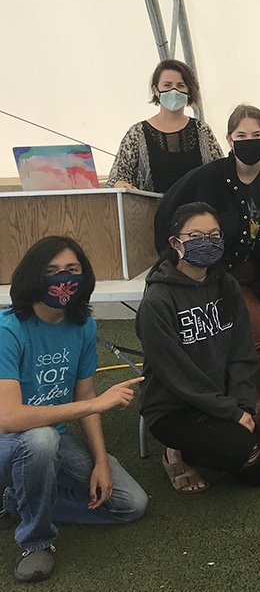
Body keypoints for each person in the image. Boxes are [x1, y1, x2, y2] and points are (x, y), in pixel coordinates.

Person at [0, 236, 147, 583]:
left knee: (130, 504)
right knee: (41, 440)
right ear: (33, 276)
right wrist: (93, 404)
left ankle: (17, 500)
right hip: (12, 441)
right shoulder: (9, 329)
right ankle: (36, 541)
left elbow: (85, 394)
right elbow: (10, 419)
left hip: (55, 438)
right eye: (51, 271)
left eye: (71, 270)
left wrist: (100, 461)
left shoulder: (83, 326)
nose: (62, 279)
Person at [155, 104, 260, 440]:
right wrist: (177, 257)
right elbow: (166, 212)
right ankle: (254, 424)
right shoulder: (207, 178)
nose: (250, 141)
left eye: (257, 136)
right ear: (229, 139)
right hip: (221, 276)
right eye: (242, 136)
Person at [138, 202, 260, 494]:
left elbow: (242, 353)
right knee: (243, 454)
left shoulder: (227, 285)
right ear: (175, 243)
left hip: (220, 401)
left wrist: (242, 405)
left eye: (214, 236)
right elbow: (177, 374)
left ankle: (208, 445)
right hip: (172, 407)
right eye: (196, 236)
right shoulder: (158, 300)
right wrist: (230, 412)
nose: (207, 243)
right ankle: (175, 452)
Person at [107, 59, 224, 192]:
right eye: (167, 85)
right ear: (156, 90)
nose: (174, 90)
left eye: (180, 85)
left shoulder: (202, 131)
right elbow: (116, 179)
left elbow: (220, 172)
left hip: (197, 211)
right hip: (152, 212)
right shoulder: (137, 133)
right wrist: (120, 184)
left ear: (189, 91)